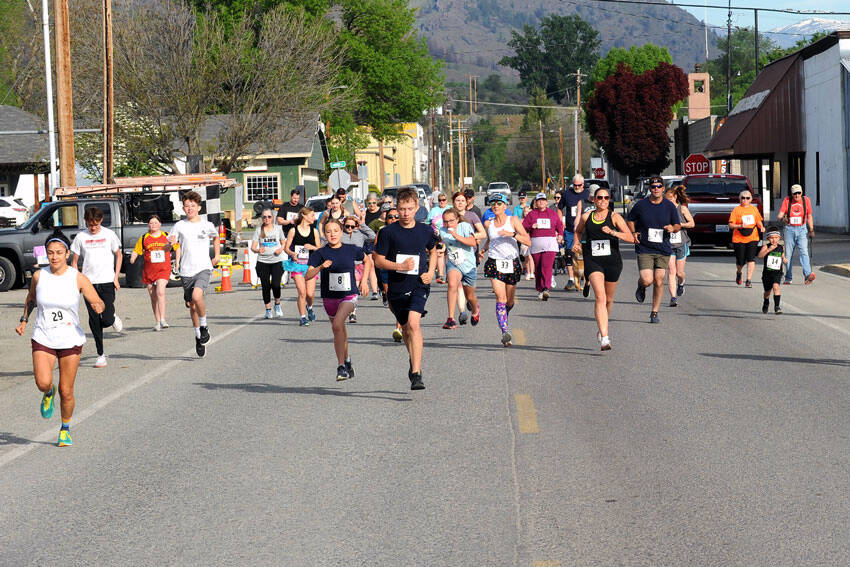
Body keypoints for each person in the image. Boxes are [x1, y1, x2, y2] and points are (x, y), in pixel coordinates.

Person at [16, 229, 105, 446]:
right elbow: (30, 300)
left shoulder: (78, 278)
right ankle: (48, 392)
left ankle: (65, 428)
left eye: (58, 252)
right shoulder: (39, 276)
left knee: (66, 391)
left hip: (70, 339)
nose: (54, 256)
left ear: (66, 253)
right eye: (50, 252)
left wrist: (98, 306)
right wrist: (24, 320)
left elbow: (97, 300)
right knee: (42, 382)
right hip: (43, 336)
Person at [372, 187, 438, 390]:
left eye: (410, 209)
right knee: (407, 330)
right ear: (396, 208)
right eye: (402, 209)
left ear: (417, 207)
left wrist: (431, 271)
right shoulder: (388, 232)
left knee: (413, 323)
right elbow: (378, 260)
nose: (406, 213)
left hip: (419, 284)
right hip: (396, 288)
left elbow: (433, 250)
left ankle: (416, 374)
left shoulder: (425, 230)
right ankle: (413, 361)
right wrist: (399, 266)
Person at [306, 219, 372, 381]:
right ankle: (348, 360)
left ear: (341, 232)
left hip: (349, 295)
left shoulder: (350, 249)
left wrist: (364, 281)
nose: (332, 234)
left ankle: (341, 366)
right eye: (328, 231)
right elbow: (308, 275)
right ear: (324, 234)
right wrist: (320, 267)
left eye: (336, 230)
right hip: (329, 298)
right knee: (339, 330)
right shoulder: (320, 253)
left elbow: (368, 261)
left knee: (337, 325)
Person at [573, 186, 634, 350]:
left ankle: (602, 327)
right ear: (593, 199)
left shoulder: (615, 217)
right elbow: (578, 232)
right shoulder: (587, 217)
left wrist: (614, 233)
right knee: (600, 297)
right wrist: (576, 243)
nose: (603, 201)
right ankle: (605, 337)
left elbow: (630, 237)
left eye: (606, 198)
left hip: (612, 262)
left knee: (608, 299)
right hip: (593, 260)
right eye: (600, 197)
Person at [168, 191, 220, 358]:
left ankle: (204, 326)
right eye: (186, 206)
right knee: (192, 306)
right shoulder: (179, 226)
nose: (189, 209)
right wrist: (169, 246)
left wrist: (217, 256)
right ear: (183, 208)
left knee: (198, 297)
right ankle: (198, 335)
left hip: (203, 267)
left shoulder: (207, 225)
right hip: (186, 270)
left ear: (199, 207)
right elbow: (171, 244)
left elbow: (216, 238)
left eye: (192, 206)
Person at [70, 206, 123, 368]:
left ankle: (112, 318)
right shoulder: (80, 237)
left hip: (107, 280)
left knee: (106, 319)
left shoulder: (109, 234)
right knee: (94, 319)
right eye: (91, 224)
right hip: (88, 283)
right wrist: (75, 281)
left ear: (101, 221)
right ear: (86, 221)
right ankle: (100, 354)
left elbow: (118, 254)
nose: (94, 227)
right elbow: (74, 262)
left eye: (97, 224)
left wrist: (116, 277)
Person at [627, 176, 681, 324]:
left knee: (658, 280)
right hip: (645, 247)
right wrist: (633, 232)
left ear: (663, 188)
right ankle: (641, 285)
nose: (656, 189)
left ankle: (654, 312)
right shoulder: (641, 205)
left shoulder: (669, 206)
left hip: (663, 248)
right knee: (647, 279)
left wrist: (672, 228)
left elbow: (677, 225)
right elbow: (630, 219)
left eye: (658, 186)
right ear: (649, 189)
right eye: (653, 187)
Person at [482, 192, 531, 346]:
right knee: (500, 298)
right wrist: (482, 250)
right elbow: (490, 241)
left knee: (509, 301)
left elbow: (528, 241)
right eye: (493, 203)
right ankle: (505, 332)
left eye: (499, 203)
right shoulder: (488, 224)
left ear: (505, 206)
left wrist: (513, 234)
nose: (496, 206)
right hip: (495, 263)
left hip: (512, 263)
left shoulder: (513, 220)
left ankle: (505, 314)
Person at [129, 215, 176, 331]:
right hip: (150, 270)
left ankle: (163, 319)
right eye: (151, 223)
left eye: (155, 223)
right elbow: (137, 250)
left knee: (160, 291)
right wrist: (133, 258)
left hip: (163, 269)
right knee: (153, 296)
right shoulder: (144, 237)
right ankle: (158, 321)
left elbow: (177, 248)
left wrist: (178, 262)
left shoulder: (166, 236)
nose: (153, 225)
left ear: (160, 224)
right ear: (148, 225)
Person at [439, 207, 481, 328]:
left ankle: (475, 310)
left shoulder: (465, 227)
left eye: (451, 221)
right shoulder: (442, 230)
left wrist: (455, 235)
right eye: (445, 221)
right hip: (454, 263)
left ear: (457, 219)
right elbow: (440, 241)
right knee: (452, 285)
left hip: (468, 265)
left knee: (470, 296)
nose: (448, 224)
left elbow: (472, 243)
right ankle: (450, 319)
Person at [522, 192, 564, 300]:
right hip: (536, 244)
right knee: (539, 268)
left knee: (546, 266)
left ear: (546, 202)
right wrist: (532, 226)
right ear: (536, 202)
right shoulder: (532, 214)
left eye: (543, 200)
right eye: (539, 200)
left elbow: (559, 225)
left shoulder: (552, 213)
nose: (541, 202)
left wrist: (560, 235)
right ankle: (540, 289)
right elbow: (523, 228)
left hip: (550, 243)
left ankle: (546, 288)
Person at [283, 207, 321, 326]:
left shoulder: (314, 231)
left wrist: (312, 247)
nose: (314, 218)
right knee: (302, 292)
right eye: (312, 215)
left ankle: (309, 307)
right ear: (304, 216)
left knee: (310, 294)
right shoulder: (293, 231)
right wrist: (293, 254)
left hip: (310, 265)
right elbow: (286, 248)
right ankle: (303, 317)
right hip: (297, 265)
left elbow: (319, 249)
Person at [251, 207, 287, 319]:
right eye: (264, 217)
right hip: (263, 262)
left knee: (276, 284)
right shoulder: (258, 230)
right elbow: (253, 247)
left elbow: (283, 243)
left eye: (269, 217)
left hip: (276, 260)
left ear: (272, 218)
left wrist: (280, 249)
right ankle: (268, 310)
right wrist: (257, 250)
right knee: (265, 286)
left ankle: (277, 304)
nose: (267, 219)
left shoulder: (278, 229)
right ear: (262, 218)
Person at [557, 174, 590, 292]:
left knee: (584, 254)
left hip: (585, 230)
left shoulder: (587, 194)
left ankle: (584, 277)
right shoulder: (567, 194)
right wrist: (561, 222)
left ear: (583, 184)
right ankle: (571, 279)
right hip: (570, 229)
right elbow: (559, 208)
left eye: (579, 185)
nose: (577, 187)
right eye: (575, 185)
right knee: (569, 253)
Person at [777, 184, 816, 285]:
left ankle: (808, 275)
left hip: (802, 229)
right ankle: (788, 277)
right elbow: (780, 215)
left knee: (804, 252)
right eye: (795, 193)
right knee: (788, 255)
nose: (797, 195)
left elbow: (809, 216)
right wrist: (782, 218)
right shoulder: (787, 200)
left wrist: (811, 229)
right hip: (789, 228)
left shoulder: (806, 200)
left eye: (799, 193)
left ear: (802, 193)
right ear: (792, 193)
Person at [340, 215, 376, 323]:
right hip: (345, 266)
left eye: (352, 226)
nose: (350, 228)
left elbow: (373, 236)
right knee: (349, 289)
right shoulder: (340, 235)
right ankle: (350, 311)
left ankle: (352, 312)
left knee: (353, 289)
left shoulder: (360, 234)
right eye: (347, 226)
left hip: (359, 265)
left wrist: (362, 225)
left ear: (356, 226)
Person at [664, 185, 695, 307]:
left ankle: (681, 284)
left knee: (679, 273)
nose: (669, 201)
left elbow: (692, 224)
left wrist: (679, 225)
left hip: (681, 243)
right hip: (669, 244)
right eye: (666, 199)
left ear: (675, 197)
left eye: (670, 199)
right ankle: (673, 297)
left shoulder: (682, 209)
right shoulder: (663, 210)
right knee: (671, 271)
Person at [728, 189, 764, 289]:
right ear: (740, 199)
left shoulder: (754, 209)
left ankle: (748, 280)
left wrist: (761, 227)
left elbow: (758, 220)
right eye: (743, 198)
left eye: (747, 198)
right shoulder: (736, 210)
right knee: (740, 261)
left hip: (753, 237)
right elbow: (730, 225)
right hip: (739, 238)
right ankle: (739, 272)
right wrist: (740, 226)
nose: (745, 200)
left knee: (751, 259)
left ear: (751, 199)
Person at [758, 227, 786, 314]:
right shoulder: (766, 246)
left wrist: (784, 259)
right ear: (768, 238)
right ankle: (766, 302)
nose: (774, 240)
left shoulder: (781, 247)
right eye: (772, 238)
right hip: (767, 274)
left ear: (779, 238)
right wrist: (769, 250)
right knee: (767, 292)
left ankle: (777, 307)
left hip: (777, 272)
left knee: (776, 287)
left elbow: (782, 256)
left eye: (776, 238)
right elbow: (760, 256)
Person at [427, 193, 450, 283]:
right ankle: (441, 275)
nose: (442, 202)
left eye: (443, 200)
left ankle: (449, 274)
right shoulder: (434, 210)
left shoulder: (450, 208)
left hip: (449, 235)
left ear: (446, 200)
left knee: (449, 256)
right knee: (440, 254)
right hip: (438, 237)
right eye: (440, 200)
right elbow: (427, 222)